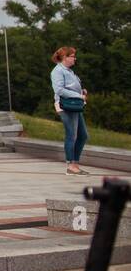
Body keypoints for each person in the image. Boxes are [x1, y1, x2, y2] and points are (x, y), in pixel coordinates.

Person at [50, 46, 90, 176]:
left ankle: (75, 164)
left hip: (75, 106)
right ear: (65, 57)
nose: (75, 58)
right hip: (66, 106)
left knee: (82, 136)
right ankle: (71, 165)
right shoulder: (57, 71)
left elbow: (71, 87)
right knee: (71, 135)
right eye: (72, 56)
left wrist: (81, 92)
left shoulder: (69, 71)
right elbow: (59, 90)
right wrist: (79, 96)